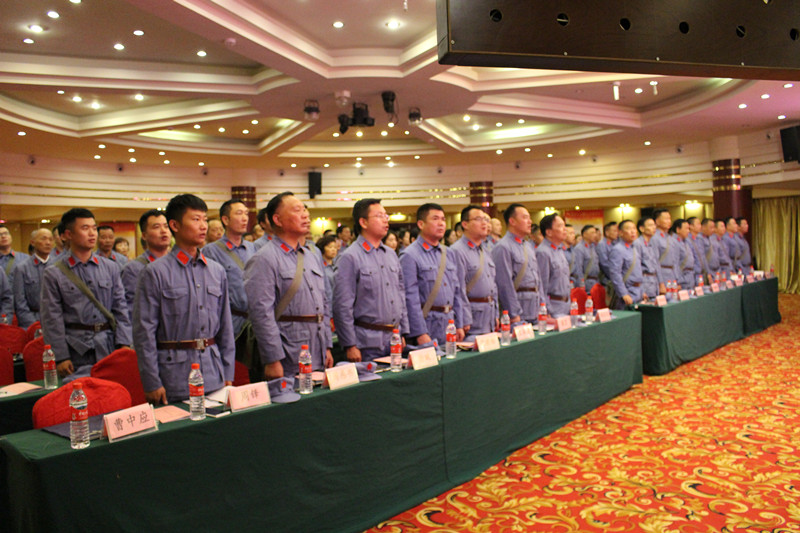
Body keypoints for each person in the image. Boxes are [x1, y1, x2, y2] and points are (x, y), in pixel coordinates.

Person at [133, 194, 235, 404]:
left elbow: (226, 328)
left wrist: (228, 371)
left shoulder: (216, 271)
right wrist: (151, 382)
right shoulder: (155, 272)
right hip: (175, 375)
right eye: (196, 219)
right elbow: (144, 332)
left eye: (205, 219)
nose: (203, 226)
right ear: (175, 225)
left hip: (213, 371)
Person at [244, 192, 333, 380]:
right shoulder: (264, 258)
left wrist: (326, 346)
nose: (305, 215)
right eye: (297, 210)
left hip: (317, 347)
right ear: (277, 220)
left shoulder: (311, 255)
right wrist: (272, 359)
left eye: (305, 210)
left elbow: (323, 303)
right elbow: (261, 313)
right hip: (288, 351)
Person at [40, 208, 132, 379]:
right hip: (76, 350)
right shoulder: (54, 272)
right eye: (85, 228)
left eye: (94, 228)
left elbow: (120, 308)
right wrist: (61, 356)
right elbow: (51, 318)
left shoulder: (110, 268)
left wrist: (124, 343)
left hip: (108, 346)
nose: (92, 233)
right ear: (68, 234)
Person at [333, 199, 408, 362]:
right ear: (363, 222)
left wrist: (403, 332)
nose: (385, 220)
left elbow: (400, 295)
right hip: (366, 342)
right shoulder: (350, 257)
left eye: (386, 216)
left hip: (394, 338)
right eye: (379, 216)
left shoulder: (390, 254)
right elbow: (342, 305)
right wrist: (350, 344)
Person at [400, 203, 465, 347]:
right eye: (435, 219)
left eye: (443, 219)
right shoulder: (410, 255)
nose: (441, 223)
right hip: (428, 324)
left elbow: (457, 292)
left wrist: (459, 324)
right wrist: (419, 332)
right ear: (421, 224)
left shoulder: (449, 253)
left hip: (449, 323)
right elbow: (410, 298)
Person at [202, 199, 256, 365]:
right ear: (225, 220)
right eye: (239, 213)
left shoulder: (253, 248)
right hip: (230, 323)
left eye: (246, 213)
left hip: (255, 323)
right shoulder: (211, 251)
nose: (244, 218)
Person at [450, 206, 498, 337]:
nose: (484, 223)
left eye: (485, 220)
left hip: (489, 317)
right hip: (472, 319)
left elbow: (493, 286)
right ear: (465, 224)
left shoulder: (486, 251)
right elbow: (458, 289)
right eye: (478, 219)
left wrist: (496, 314)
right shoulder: (457, 251)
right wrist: (463, 320)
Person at [492, 203, 542, 324]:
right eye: (525, 218)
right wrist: (513, 313)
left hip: (535, 308)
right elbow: (504, 284)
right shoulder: (503, 247)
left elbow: (538, 279)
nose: (530, 222)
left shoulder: (528, 246)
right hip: (519, 310)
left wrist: (542, 305)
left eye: (529, 218)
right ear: (512, 221)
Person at [121, 210, 172, 314]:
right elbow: (132, 309)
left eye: (166, 226)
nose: (163, 231)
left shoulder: (177, 264)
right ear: (144, 235)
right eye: (156, 227)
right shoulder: (133, 269)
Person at [13, 228, 54, 328]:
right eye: (43, 239)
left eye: (50, 239)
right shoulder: (22, 268)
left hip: (55, 320)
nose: (48, 243)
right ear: (32, 242)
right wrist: (33, 325)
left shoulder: (59, 266)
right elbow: (20, 302)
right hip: (32, 320)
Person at [536, 213, 571, 317]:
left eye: (564, 225)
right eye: (560, 226)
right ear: (549, 232)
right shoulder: (543, 252)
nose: (565, 229)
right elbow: (542, 286)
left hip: (565, 305)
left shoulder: (560, 250)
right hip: (553, 308)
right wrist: (546, 310)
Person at [608, 219, 645, 309]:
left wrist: (642, 291)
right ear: (620, 233)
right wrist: (623, 293)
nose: (633, 231)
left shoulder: (634, 248)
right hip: (627, 291)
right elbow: (615, 273)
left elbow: (638, 272)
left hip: (638, 290)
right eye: (628, 229)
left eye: (634, 228)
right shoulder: (618, 249)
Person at [633, 217, 665, 300]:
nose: (654, 227)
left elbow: (657, 264)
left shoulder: (652, 243)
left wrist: (661, 283)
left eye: (654, 225)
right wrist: (640, 290)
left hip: (654, 282)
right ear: (642, 229)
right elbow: (636, 268)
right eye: (650, 225)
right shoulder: (637, 243)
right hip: (644, 281)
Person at [651, 209, 680, 285]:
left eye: (669, 219)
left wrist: (677, 279)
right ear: (657, 221)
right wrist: (660, 282)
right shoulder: (654, 237)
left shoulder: (670, 238)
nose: (669, 221)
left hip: (672, 275)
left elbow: (676, 261)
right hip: (663, 274)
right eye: (666, 219)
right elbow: (655, 262)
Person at [316, 234, 338, 317]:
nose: (333, 250)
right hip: (327, 307)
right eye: (330, 247)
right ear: (322, 248)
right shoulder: (319, 266)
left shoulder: (337, 265)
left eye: (335, 247)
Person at [573, 224, 600, 293]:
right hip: (587, 283)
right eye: (592, 233)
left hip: (595, 282)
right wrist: (581, 285)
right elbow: (578, 269)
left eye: (595, 233)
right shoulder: (579, 248)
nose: (595, 235)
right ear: (585, 234)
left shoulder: (593, 247)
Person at [670, 218, 695, 290]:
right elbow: (675, 263)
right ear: (678, 229)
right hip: (681, 277)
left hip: (689, 276)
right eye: (686, 229)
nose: (688, 231)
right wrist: (677, 280)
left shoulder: (686, 241)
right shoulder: (673, 242)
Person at [686, 217, 708, 286]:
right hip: (693, 273)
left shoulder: (700, 239)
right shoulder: (687, 240)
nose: (700, 226)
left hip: (702, 273)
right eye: (698, 224)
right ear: (691, 226)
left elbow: (703, 256)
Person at [701, 218, 720, 282]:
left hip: (716, 270)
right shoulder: (699, 239)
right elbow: (702, 258)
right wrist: (708, 273)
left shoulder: (713, 238)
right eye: (711, 228)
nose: (713, 230)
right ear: (703, 227)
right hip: (708, 271)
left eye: (713, 227)